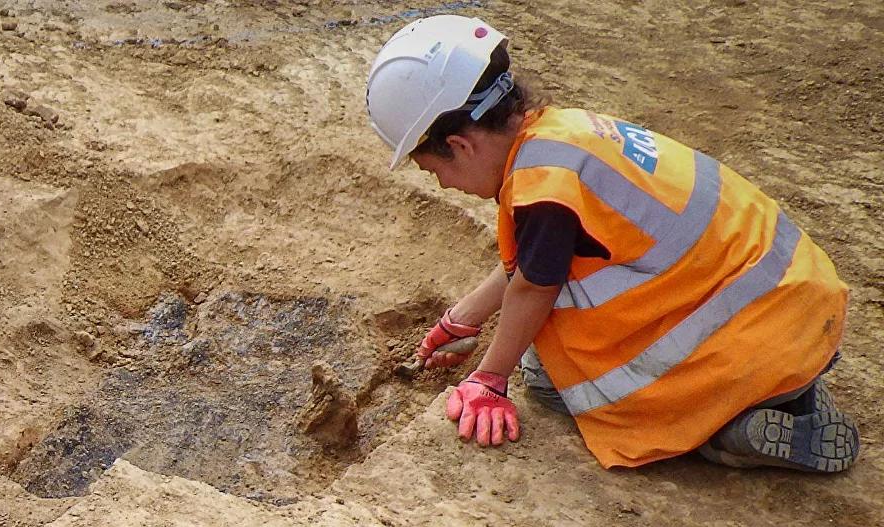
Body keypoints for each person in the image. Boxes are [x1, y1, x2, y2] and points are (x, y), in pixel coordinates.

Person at [365, 15, 859, 472]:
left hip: (761, 330)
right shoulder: (559, 138)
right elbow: (532, 261)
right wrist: (463, 318)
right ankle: (776, 395)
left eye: (434, 172)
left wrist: (489, 379)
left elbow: (535, 288)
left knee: (559, 383)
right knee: (553, 363)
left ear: (459, 145)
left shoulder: (543, 187)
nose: (444, 187)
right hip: (793, 299)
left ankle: (730, 427)